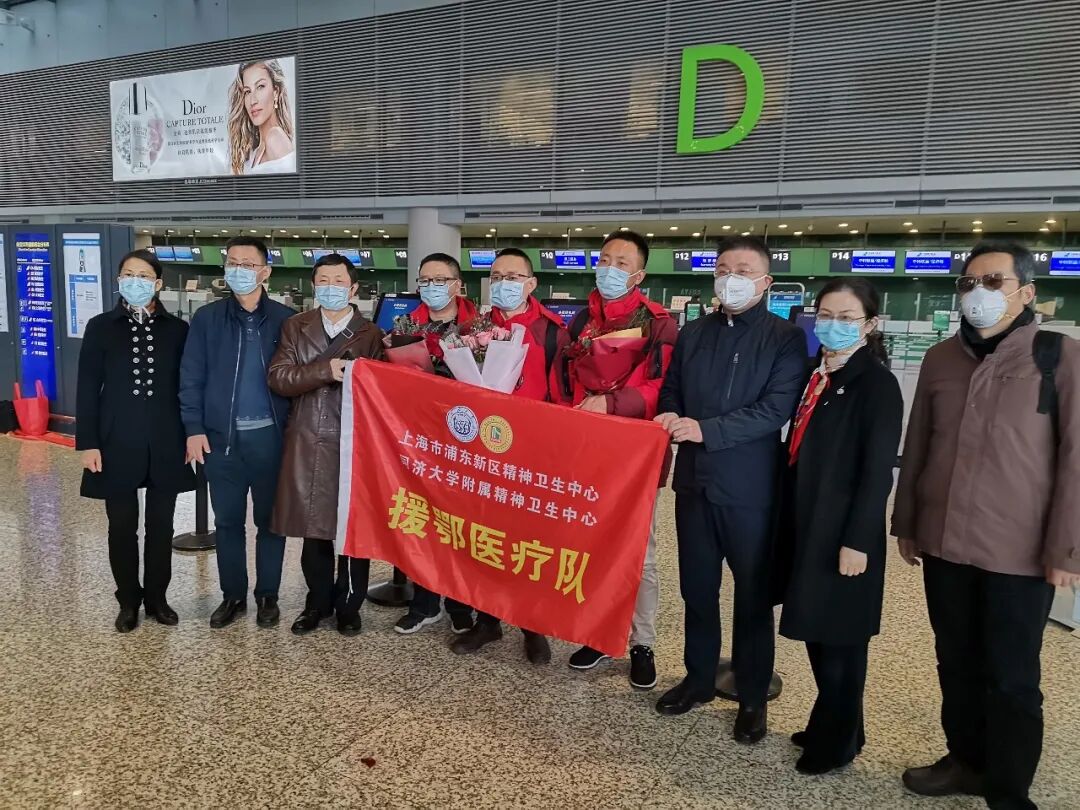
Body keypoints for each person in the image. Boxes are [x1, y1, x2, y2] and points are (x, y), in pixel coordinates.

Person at [893, 242, 1080, 809]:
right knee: (955, 661)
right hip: (945, 543)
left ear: (1026, 292)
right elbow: (919, 444)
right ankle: (966, 760)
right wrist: (907, 523)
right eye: (969, 282)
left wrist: (1066, 550)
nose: (978, 292)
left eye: (994, 281)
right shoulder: (941, 359)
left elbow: (1075, 458)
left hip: (1018, 553)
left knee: (1011, 676)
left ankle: (1009, 789)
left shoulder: (1058, 356)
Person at [654, 235, 806, 744]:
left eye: (743, 270)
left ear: (766, 282)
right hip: (694, 484)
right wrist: (671, 412)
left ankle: (753, 695)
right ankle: (698, 679)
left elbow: (774, 410)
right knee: (697, 589)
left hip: (751, 489)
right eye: (723, 268)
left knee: (753, 597)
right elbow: (672, 386)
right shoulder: (694, 332)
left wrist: (707, 430)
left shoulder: (785, 338)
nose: (730, 278)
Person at [777, 278, 903, 774]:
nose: (833, 325)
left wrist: (857, 541)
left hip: (845, 534)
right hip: (810, 523)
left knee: (842, 643)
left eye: (847, 317)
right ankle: (840, 724)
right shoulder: (818, 373)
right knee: (819, 629)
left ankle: (835, 743)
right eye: (825, 315)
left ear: (869, 324)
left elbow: (877, 471)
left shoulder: (876, 384)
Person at [559, 230, 678, 690]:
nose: (610, 269)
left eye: (622, 263)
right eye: (605, 260)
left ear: (639, 274)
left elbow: (663, 386)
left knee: (640, 554)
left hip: (634, 455)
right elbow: (564, 379)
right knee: (591, 545)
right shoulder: (580, 321)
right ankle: (600, 634)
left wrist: (611, 403)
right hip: (585, 450)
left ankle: (641, 643)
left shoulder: (658, 323)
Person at [448, 247, 569, 665]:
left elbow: (562, 395)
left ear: (531, 284)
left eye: (513, 277)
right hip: (485, 451)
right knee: (484, 538)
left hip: (533, 451)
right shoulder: (472, 330)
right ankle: (487, 619)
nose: (504, 284)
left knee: (529, 541)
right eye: (497, 277)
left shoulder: (552, 332)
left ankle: (532, 624)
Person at [76, 249, 195, 632]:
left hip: (166, 439)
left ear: (158, 283)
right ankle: (128, 599)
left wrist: (191, 434)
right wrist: (88, 443)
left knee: (161, 525)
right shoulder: (100, 326)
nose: (135, 281)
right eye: (128, 274)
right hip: (116, 440)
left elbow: (187, 387)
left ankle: (157, 598)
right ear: (118, 280)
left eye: (144, 276)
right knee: (122, 525)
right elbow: (87, 387)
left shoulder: (177, 329)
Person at [180, 236, 295, 629]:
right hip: (221, 439)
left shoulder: (287, 320)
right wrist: (193, 428)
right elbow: (191, 377)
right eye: (232, 262)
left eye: (248, 264)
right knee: (227, 522)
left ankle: (267, 595)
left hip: (271, 439)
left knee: (270, 521)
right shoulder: (207, 319)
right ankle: (232, 595)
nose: (239, 270)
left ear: (265, 272)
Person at [268, 254, 384, 637]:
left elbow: (384, 392)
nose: (330, 288)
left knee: (352, 530)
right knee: (314, 529)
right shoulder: (295, 326)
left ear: (353, 288)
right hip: (308, 439)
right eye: (323, 281)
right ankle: (316, 603)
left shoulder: (370, 334)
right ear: (313, 285)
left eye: (338, 281)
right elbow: (279, 378)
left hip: (354, 443)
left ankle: (349, 606)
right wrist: (325, 370)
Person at [393, 252, 479, 636]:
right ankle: (424, 603)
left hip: (465, 439)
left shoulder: (482, 326)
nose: (432, 286)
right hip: (420, 440)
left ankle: (460, 603)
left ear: (458, 284)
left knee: (460, 524)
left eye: (440, 279)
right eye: (425, 280)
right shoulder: (405, 325)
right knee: (423, 521)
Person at [228, 59, 296, 175]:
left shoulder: (276, 138)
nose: (253, 101)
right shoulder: (254, 153)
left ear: (276, 92)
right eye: (247, 92)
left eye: (260, 86)